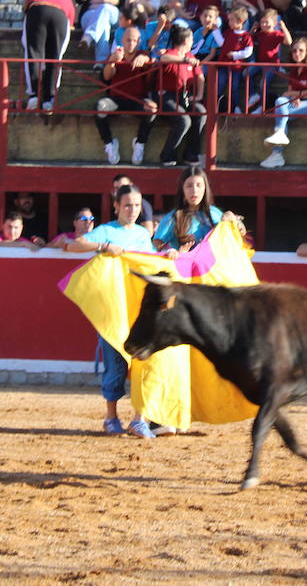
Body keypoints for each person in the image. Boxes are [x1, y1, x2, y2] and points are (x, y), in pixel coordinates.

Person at [64, 183, 170, 438]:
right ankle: (111, 417)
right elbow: (72, 245)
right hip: (113, 308)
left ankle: (139, 419)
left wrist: (168, 254)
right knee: (115, 364)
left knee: (146, 362)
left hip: (139, 309)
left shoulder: (143, 236)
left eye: (136, 205)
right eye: (127, 205)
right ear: (116, 207)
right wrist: (102, 246)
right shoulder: (105, 231)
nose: (133, 210)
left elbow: (151, 263)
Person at [24, 0, 77, 111]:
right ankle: (35, 95)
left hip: (58, 7)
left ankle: (48, 97)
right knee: (36, 52)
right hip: (45, 1)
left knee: (52, 55)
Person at [260, 38, 307, 169]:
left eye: (301, 50)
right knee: (279, 102)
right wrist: (295, 96)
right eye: (294, 51)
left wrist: (295, 95)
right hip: (299, 103)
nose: (297, 53)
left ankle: (277, 153)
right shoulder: (294, 70)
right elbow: (289, 93)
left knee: (280, 112)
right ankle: (279, 141)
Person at [96, 26, 156, 167]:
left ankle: (140, 143)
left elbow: (151, 63)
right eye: (128, 40)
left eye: (134, 40)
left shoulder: (143, 55)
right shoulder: (116, 54)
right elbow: (106, 76)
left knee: (152, 109)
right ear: (122, 40)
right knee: (99, 107)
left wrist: (145, 58)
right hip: (116, 99)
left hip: (137, 99)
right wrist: (112, 61)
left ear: (139, 41)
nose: (131, 43)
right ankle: (109, 144)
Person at [156, 25, 206, 167]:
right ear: (185, 41)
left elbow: (200, 76)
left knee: (201, 112)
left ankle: (191, 155)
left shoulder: (191, 56)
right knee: (183, 120)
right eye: (191, 39)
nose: (192, 42)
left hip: (184, 96)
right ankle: (167, 155)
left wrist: (199, 95)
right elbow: (164, 58)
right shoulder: (171, 53)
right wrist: (183, 60)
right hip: (166, 96)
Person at [153, 166, 230, 253]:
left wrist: (234, 222)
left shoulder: (215, 213)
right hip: (184, 265)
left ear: (205, 188)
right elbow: (156, 245)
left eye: (199, 185)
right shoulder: (173, 217)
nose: (194, 190)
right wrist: (170, 251)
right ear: (182, 189)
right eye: (189, 186)